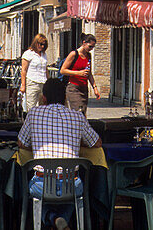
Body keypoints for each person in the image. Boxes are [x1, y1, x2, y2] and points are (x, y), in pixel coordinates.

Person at [18, 77, 101, 230]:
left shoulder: (33, 113)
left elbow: (21, 143)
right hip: (71, 184)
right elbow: (97, 143)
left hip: (41, 184)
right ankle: (59, 220)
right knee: (75, 190)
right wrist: (76, 141)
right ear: (64, 98)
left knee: (29, 190)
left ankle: (52, 218)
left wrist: (38, 143)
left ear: (44, 98)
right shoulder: (77, 116)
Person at [60, 34, 100, 115]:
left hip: (84, 88)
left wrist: (95, 87)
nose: (91, 49)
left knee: (83, 113)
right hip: (73, 87)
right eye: (90, 46)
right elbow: (63, 70)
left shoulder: (88, 55)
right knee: (78, 112)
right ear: (84, 43)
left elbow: (89, 73)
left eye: (93, 47)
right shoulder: (74, 54)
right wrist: (78, 73)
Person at [20, 34, 49, 112]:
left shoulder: (44, 54)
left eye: (44, 45)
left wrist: (49, 81)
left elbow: (45, 68)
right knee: (31, 106)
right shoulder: (28, 54)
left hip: (43, 82)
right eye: (40, 44)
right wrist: (23, 85)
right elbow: (24, 70)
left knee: (43, 107)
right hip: (32, 82)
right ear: (36, 43)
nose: (42, 46)